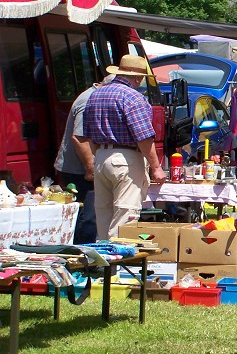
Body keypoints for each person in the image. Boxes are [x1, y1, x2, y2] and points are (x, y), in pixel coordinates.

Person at [84, 55, 167, 240]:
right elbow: (144, 137)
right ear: (137, 78)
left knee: (103, 214)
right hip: (125, 159)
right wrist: (156, 167)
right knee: (125, 215)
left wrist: (94, 160)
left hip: (101, 156)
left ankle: (102, 263)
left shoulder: (96, 94)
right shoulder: (133, 97)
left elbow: (88, 134)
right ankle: (117, 262)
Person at [54, 77, 112, 244]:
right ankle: (84, 258)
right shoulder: (89, 100)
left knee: (88, 215)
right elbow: (80, 138)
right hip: (78, 169)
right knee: (88, 217)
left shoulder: (93, 96)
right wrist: (91, 168)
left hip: (81, 167)